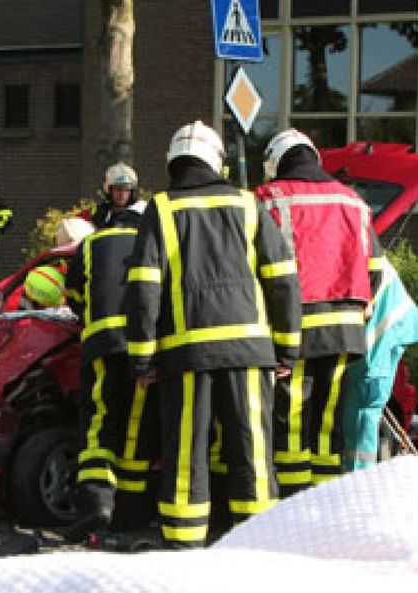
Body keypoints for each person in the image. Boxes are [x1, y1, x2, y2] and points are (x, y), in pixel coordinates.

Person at [124, 120, 301, 548]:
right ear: (216, 161)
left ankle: (183, 548)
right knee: (251, 453)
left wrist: (142, 358)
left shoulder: (161, 208)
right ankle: (258, 549)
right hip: (250, 353)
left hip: (187, 356)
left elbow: (144, 286)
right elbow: (282, 279)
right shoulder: (248, 204)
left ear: (173, 162)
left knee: (187, 457)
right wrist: (287, 349)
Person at [254, 129, 373, 494]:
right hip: (347, 328)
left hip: (297, 325)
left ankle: (293, 503)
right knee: (327, 424)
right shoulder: (353, 200)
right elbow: (374, 266)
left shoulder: (269, 198)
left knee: (291, 421)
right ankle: (325, 503)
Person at [63, 165, 157, 540]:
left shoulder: (91, 243)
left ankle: (96, 502)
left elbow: (74, 295)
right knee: (135, 427)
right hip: (142, 348)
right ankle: (130, 515)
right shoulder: (151, 244)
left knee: (100, 421)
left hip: (101, 345)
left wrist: (93, 316)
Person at [342, 256, 418, 470]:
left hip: (379, 330)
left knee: (363, 407)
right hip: (385, 325)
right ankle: (358, 474)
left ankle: (358, 477)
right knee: (364, 409)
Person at [92, 162, 146, 228]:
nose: (122, 194)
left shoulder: (141, 213)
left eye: (126, 190)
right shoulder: (102, 213)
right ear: (110, 190)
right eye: (118, 189)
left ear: (131, 192)